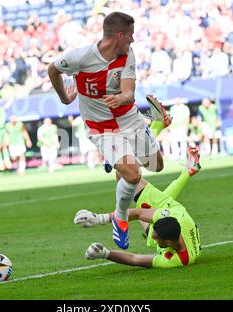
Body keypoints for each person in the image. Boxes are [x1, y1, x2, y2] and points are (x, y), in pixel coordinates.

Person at [48, 12, 171, 249]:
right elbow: (53, 69)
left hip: (129, 118)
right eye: (131, 35)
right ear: (119, 35)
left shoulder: (127, 56)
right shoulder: (81, 57)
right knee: (133, 175)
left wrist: (120, 97)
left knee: (156, 166)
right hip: (102, 127)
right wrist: (65, 98)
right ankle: (121, 218)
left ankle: (132, 147)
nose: (133, 40)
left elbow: (128, 92)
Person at [75, 146, 201, 268]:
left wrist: (105, 253)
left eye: (155, 237)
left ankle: (187, 172)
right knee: (124, 173)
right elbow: (138, 213)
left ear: (168, 242)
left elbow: (136, 259)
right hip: (170, 208)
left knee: (124, 173)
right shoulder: (170, 216)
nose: (152, 237)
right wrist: (99, 219)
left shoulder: (177, 260)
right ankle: (132, 145)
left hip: (169, 210)